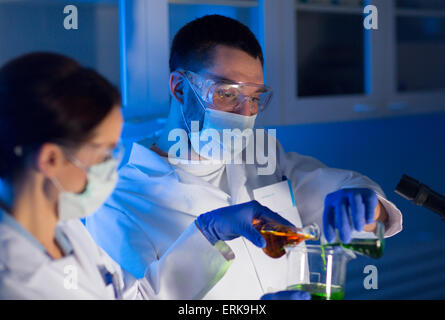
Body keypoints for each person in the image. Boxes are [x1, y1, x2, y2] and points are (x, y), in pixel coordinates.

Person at [86, 15, 403, 299]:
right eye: (226, 94)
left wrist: (367, 205)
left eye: (254, 98)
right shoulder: (117, 205)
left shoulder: (262, 156)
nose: (245, 113)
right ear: (180, 88)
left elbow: (348, 199)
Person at [0, 52, 309, 300]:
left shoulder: (65, 231)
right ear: (50, 159)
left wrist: (209, 231)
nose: (113, 165)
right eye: (104, 154)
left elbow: (141, 297)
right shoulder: (13, 283)